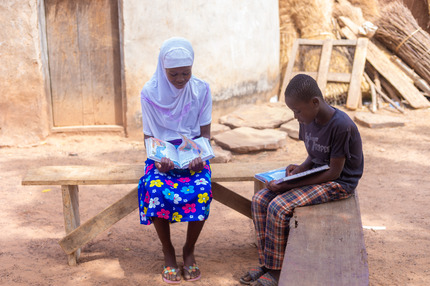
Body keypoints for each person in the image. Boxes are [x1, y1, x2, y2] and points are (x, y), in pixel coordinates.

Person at [240, 74, 364, 286]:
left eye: (297, 110)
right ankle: (268, 263)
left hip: (339, 183)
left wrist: (289, 184)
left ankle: (278, 272)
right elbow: (315, 155)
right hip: (317, 173)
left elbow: (334, 172)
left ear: (315, 102)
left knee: (279, 206)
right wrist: (301, 168)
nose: (295, 116)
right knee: (260, 200)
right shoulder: (308, 119)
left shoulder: (341, 126)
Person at [138, 37, 212, 284]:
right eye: (173, 74)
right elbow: (149, 136)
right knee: (156, 190)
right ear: (162, 69)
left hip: (193, 154)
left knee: (202, 188)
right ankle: (168, 250)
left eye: (186, 73)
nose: (180, 79)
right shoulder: (149, 93)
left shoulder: (201, 90)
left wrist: (200, 156)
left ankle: (188, 250)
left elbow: (205, 135)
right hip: (162, 155)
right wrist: (159, 160)